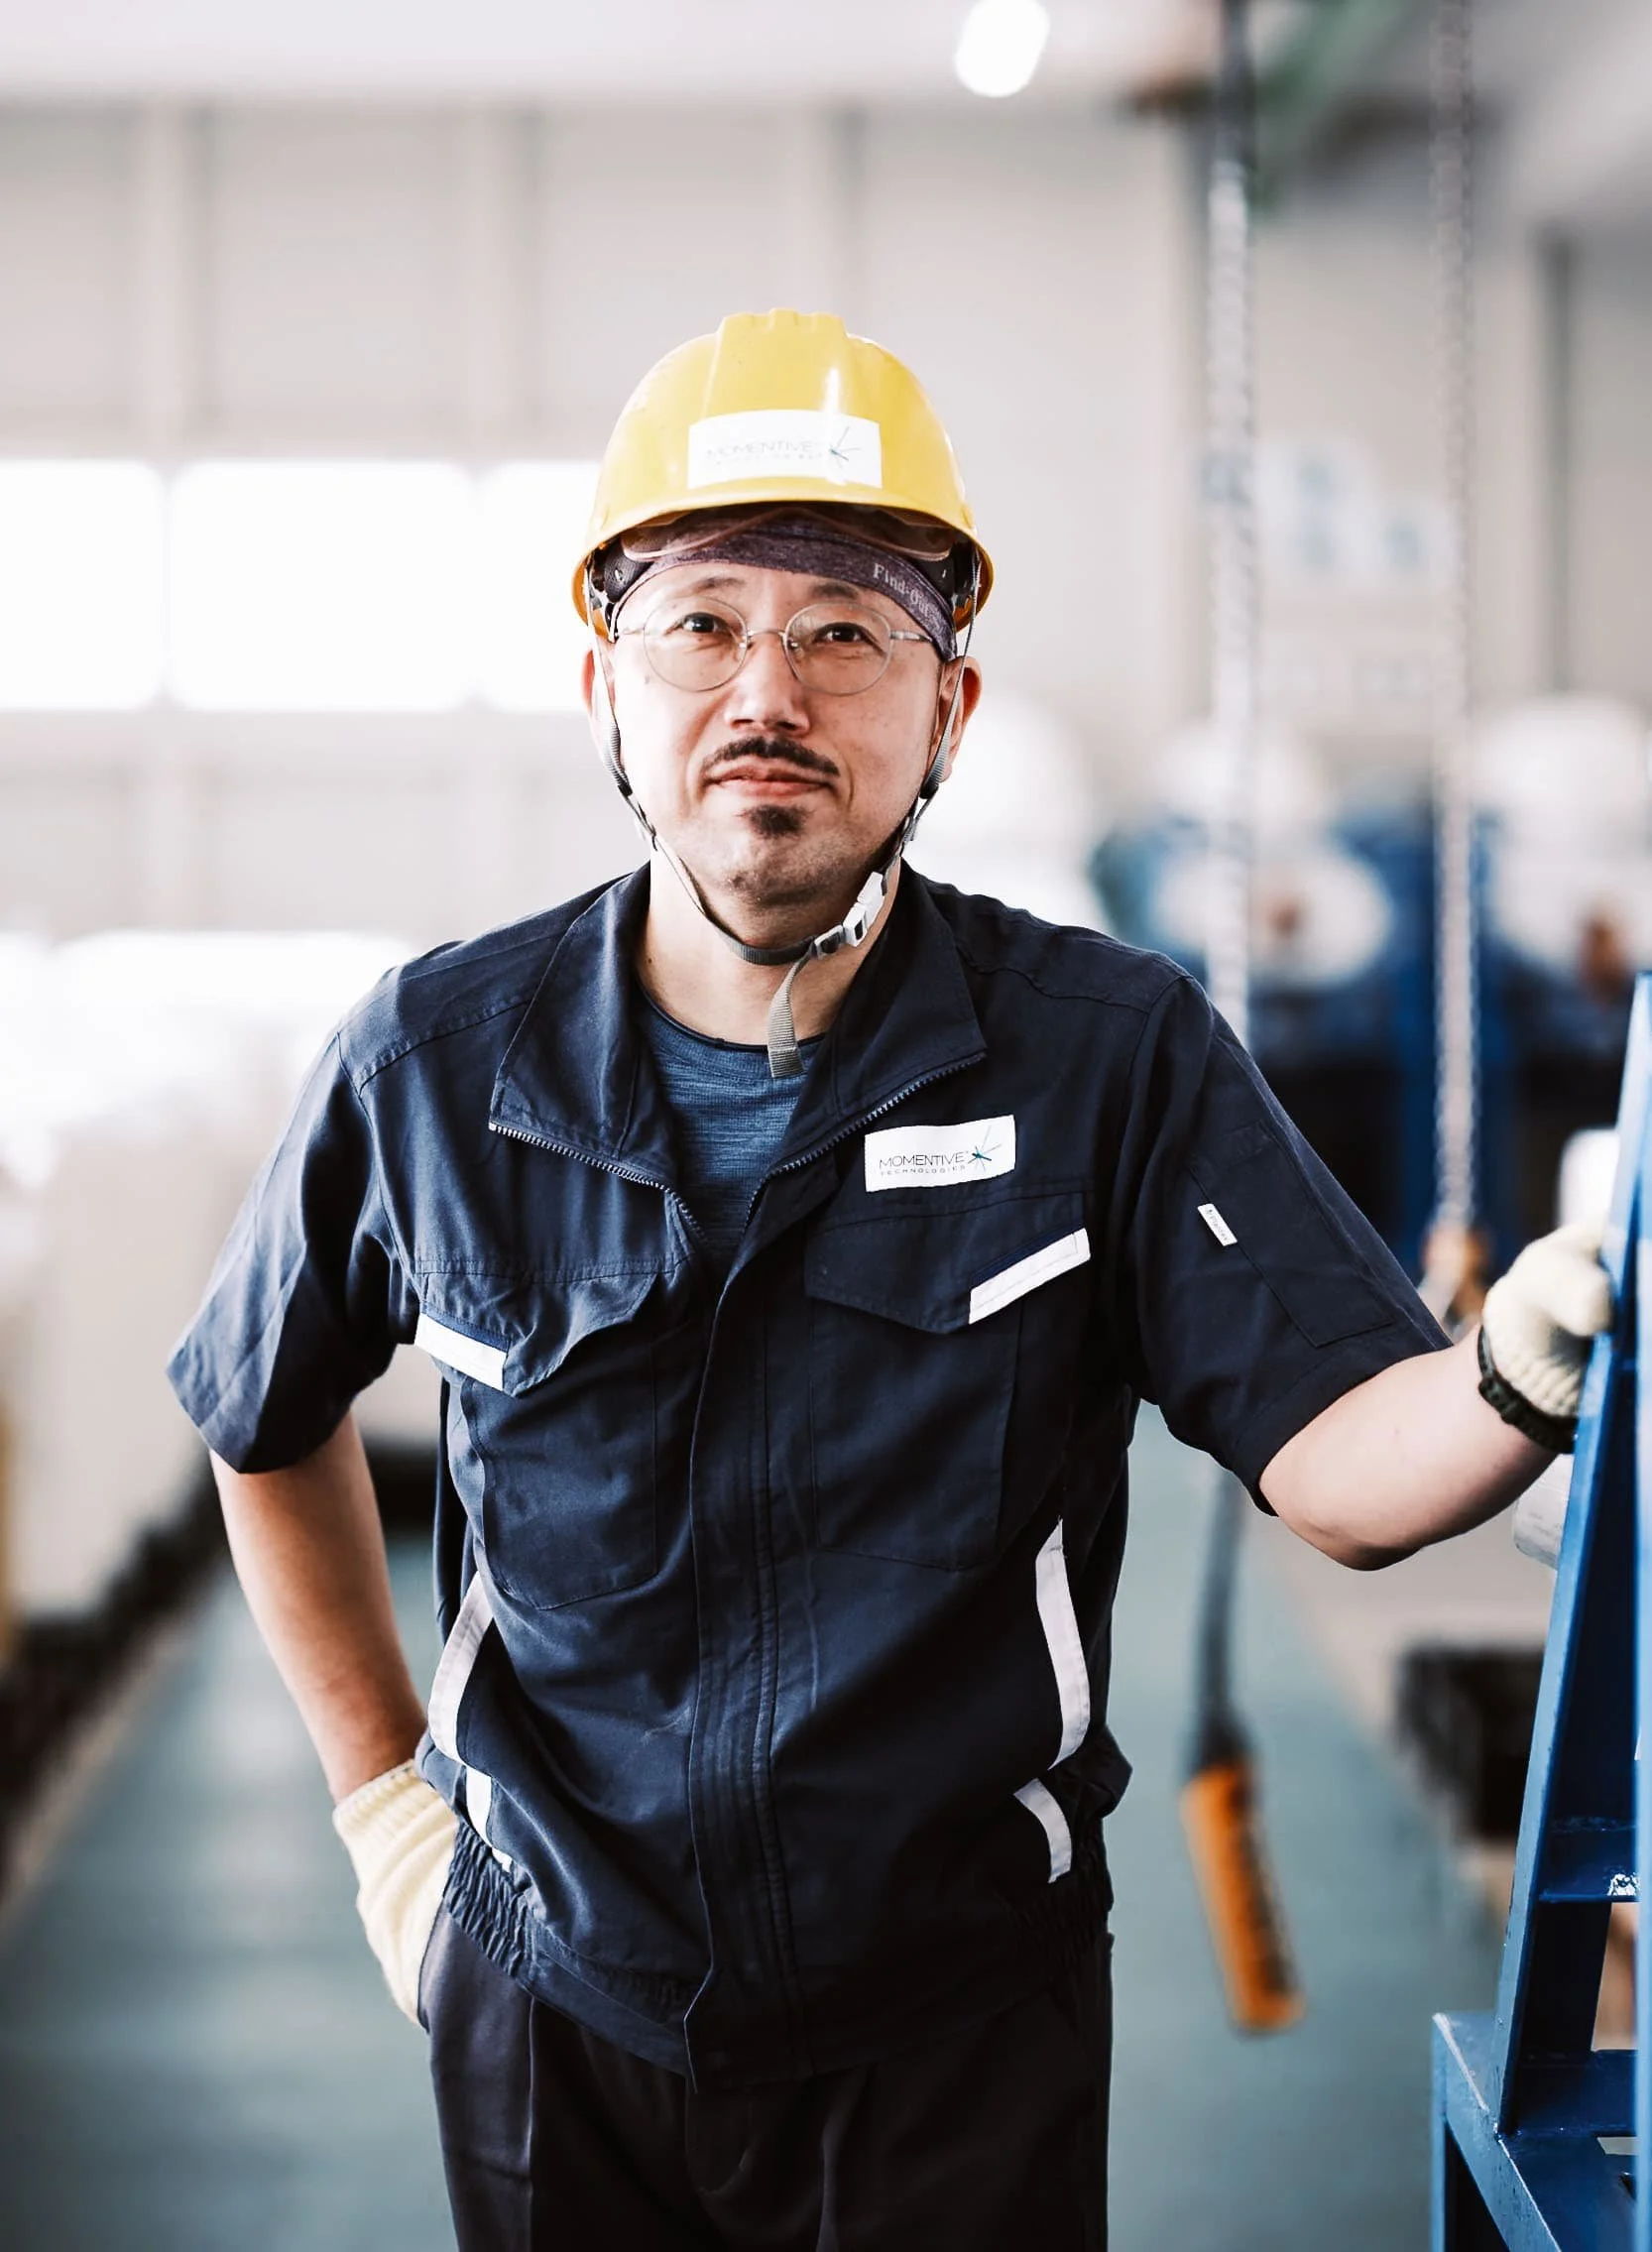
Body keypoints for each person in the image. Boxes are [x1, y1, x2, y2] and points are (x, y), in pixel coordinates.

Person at [167, 309, 1610, 2251]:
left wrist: (1525, 1349)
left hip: (956, 2033)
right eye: (700, 623)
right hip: (553, 2013)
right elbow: (259, 1411)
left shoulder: (1105, 1052)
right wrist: (380, 1817)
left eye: (845, 631)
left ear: (950, 706)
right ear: (601, 682)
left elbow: (1341, 1461)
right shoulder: (434, 1060)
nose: (766, 684)